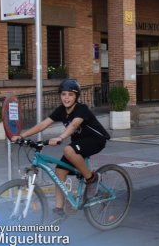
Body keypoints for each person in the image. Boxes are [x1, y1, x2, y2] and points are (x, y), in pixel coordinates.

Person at [11, 79, 110, 223]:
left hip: (96, 139)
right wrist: (22, 136)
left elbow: (74, 125)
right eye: (63, 94)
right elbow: (43, 124)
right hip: (79, 143)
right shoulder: (61, 111)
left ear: (76, 96)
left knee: (68, 149)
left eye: (70, 94)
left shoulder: (81, 108)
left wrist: (61, 137)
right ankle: (59, 209)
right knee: (59, 171)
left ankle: (91, 179)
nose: (66, 97)